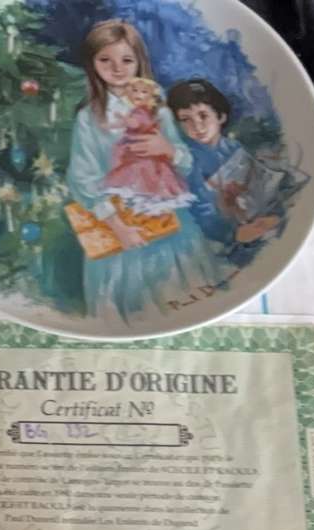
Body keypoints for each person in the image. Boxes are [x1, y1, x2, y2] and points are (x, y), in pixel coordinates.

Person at [65, 20, 221, 322]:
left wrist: (168, 149)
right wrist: (119, 228)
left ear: (139, 62)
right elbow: (82, 179)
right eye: (105, 60)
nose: (117, 69)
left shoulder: (157, 105)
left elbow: (186, 162)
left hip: (168, 219)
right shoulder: (90, 117)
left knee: (180, 293)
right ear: (92, 64)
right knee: (131, 304)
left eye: (126, 60)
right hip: (120, 225)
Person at [166, 78, 282, 249]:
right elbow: (202, 211)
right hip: (229, 235)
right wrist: (233, 234)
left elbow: (260, 181)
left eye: (203, 115)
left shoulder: (233, 146)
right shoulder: (191, 162)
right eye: (185, 119)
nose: (197, 125)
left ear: (220, 116)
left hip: (259, 215)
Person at [100, 78, 195, 214]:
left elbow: (186, 161)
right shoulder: (126, 109)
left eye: (144, 92)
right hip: (130, 153)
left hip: (147, 158)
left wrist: (168, 149)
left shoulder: (151, 112)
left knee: (145, 179)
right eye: (135, 91)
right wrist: (111, 125)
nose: (138, 95)